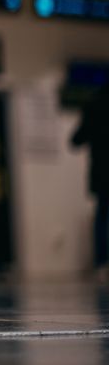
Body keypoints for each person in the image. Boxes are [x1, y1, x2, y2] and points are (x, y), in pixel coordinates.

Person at [71, 91, 109, 274]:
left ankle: (102, 262)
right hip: (102, 172)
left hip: (101, 172)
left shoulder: (93, 107)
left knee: (102, 215)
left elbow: (76, 140)